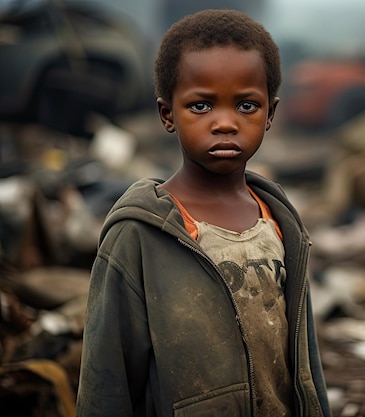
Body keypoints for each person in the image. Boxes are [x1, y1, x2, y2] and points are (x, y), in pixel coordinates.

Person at [76, 9, 330, 417]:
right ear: (167, 114)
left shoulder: (280, 223)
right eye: (201, 106)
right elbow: (106, 379)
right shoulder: (139, 235)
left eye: (247, 105)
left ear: (271, 114)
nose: (226, 123)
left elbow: (304, 362)